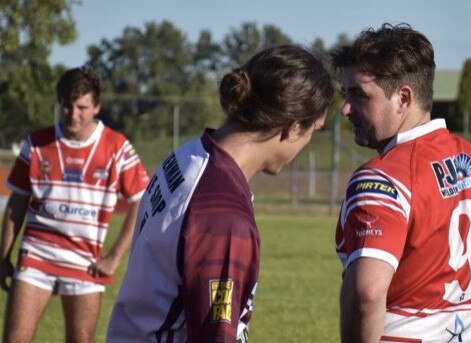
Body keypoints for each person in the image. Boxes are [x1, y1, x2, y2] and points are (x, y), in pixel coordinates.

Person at [331, 23, 471, 342]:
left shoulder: (381, 178)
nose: (345, 108)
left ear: (403, 98)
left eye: (359, 95)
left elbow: (367, 292)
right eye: (346, 94)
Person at [106, 44, 334, 342]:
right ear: (292, 128)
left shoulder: (189, 155)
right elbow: (216, 335)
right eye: (311, 132)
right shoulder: (222, 214)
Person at [0, 66, 150, 342]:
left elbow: (142, 200)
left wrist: (114, 257)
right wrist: (3, 255)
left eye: (82, 107)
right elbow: (16, 204)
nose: (73, 114)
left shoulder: (116, 147)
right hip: (37, 256)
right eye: (66, 106)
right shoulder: (35, 143)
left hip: (85, 263)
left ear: (97, 107)